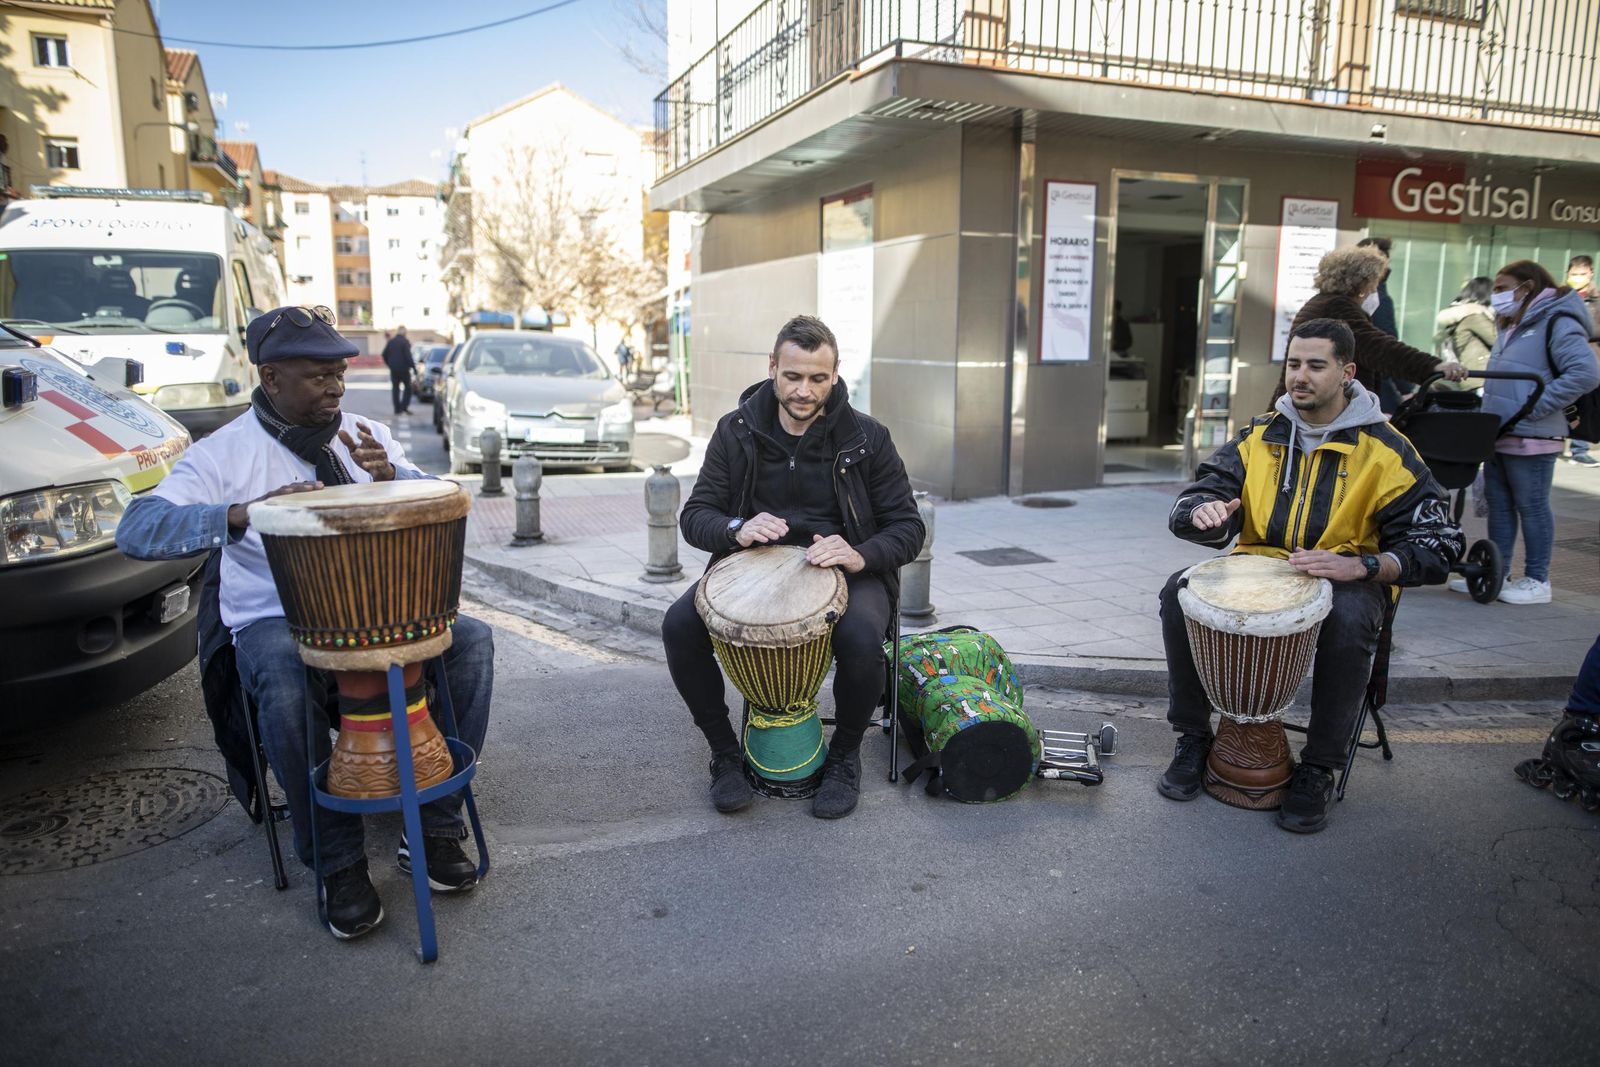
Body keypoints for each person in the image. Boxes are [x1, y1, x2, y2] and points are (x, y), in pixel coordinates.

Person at [116, 305, 494, 941]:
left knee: (474, 641)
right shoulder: (223, 455)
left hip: (383, 614)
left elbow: (436, 493)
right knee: (285, 678)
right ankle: (338, 861)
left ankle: (433, 825)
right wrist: (239, 514)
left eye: (340, 374)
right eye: (318, 376)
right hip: (277, 620)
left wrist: (392, 474)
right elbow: (137, 528)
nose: (336, 388)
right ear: (270, 377)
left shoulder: (366, 434)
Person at [1161, 318, 1463, 834]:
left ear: (1346, 372)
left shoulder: (1387, 450)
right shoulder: (1260, 434)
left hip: (1347, 575)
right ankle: (1193, 737)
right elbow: (1204, 491)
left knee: (1346, 618)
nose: (1300, 376)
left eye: (1315, 366)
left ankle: (1320, 767)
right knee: (1180, 591)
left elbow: (1440, 544)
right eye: (1294, 364)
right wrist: (1205, 513)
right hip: (1260, 564)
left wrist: (1365, 566)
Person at [664, 314, 924, 820]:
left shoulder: (868, 438)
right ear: (772, 368)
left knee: (861, 639)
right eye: (793, 376)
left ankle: (845, 758)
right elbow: (695, 516)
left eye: (818, 378)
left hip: (847, 569)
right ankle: (724, 754)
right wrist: (736, 528)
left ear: (835, 373)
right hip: (753, 568)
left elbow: (908, 527)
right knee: (678, 625)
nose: (804, 390)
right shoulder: (736, 431)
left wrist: (859, 553)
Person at [1477, 260, 1600, 605]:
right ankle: (1498, 575)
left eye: (1502, 289)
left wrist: (1536, 404)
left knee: (1532, 506)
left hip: (1533, 434)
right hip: (1501, 432)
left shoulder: (1556, 321)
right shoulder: (1515, 323)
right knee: (1500, 506)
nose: (1497, 296)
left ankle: (1538, 579)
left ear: (1526, 287)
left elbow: (1585, 373)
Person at [1278, 246, 1467, 401]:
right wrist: (1432, 366)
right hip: (1318, 412)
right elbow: (1377, 348)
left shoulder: (1323, 303)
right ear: (1362, 283)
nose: (1375, 290)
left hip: (1306, 405)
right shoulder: (1337, 307)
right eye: (1374, 283)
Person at [1563, 255, 1599, 468]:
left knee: (1584, 404)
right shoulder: (1561, 296)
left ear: (1591, 273)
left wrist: (1579, 330)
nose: (1577, 278)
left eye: (1582, 274)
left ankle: (1580, 448)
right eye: (1574, 274)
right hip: (1562, 357)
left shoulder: (1597, 300)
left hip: (1589, 358)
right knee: (1565, 401)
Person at [1433, 277, 1497, 386]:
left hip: (1468, 376)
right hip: (1480, 378)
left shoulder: (1459, 314)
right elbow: (1497, 340)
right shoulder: (1474, 315)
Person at [382, 325, 415, 415]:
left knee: (395, 389)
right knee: (408, 388)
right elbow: (408, 356)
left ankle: (397, 409)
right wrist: (413, 367)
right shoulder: (405, 342)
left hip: (394, 369)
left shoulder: (391, 341)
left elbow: (384, 354)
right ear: (404, 332)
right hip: (404, 369)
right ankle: (404, 407)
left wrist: (390, 364)